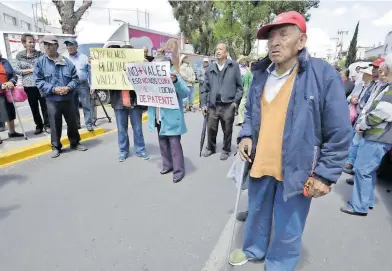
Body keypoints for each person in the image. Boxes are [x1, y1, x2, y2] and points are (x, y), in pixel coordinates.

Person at [229, 11, 351, 270]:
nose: (274, 42)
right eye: (271, 36)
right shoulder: (261, 74)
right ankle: (253, 249)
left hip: (298, 168)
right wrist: (246, 135)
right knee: (257, 214)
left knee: (289, 225)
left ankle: (279, 264)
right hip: (261, 163)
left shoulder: (322, 74)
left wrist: (326, 174)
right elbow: (251, 113)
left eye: (283, 34)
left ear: (301, 41)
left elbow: (339, 130)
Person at [341, 54, 392, 216]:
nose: (381, 74)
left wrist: (363, 124)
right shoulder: (385, 87)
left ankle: (359, 206)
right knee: (367, 171)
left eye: (385, 71)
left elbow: (381, 112)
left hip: (376, 136)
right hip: (379, 137)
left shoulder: (390, 90)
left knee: (362, 170)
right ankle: (367, 201)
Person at [34, 35, 87, 158]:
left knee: (72, 122)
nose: (47, 47)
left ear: (57, 46)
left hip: (68, 98)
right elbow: (39, 81)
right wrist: (53, 89)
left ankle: (75, 142)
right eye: (45, 44)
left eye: (50, 44)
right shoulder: (40, 62)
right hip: (52, 99)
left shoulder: (66, 61)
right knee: (54, 124)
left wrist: (68, 87)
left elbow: (75, 78)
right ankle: (56, 147)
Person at [147, 56, 189, 183]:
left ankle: (179, 171)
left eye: (157, 65)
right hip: (159, 116)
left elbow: (185, 92)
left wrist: (175, 81)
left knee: (174, 146)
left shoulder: (174, 75)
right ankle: (167, 165)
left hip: (171, 118)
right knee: (163, 143)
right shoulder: (152, 76)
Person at [200, 42, 243, 161]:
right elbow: (204, 88)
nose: (217, 51)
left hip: (228, 104)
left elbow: (240, 86)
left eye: (221, 49)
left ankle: (226, 149)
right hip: (213, 105)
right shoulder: (210, 68)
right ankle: (211, 147)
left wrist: (235, 102)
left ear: (226, 53)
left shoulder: (233, 66)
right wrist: (203, 104)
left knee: (227, 129)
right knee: (211, 128)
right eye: (216, 49)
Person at [343, 58, 385, 176]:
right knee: (356, 143)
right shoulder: (371, 84)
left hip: (371, 125)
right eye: (374, 68)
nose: (375, 70)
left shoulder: (382, 85)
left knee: (361, 149)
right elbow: (363, 100)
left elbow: (380, 110)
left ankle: (354, 167)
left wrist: (364, 123)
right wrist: (352, 99)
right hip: (360, 117)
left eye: (378, 68)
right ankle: (353, 166)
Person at [109, 45, 149, 162]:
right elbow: (101, 75)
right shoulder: (113, 67)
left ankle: (140, 150)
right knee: (121, 129)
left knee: (137, 128)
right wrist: (95, 64)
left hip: (134, 102)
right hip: (119, 102)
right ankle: (123, 151)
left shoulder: (140, 65)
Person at [14, 33, 49, 134]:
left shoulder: (40, 54)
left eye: (34, 42)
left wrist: (34, 70)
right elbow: (17, 70)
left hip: (41, 84)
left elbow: (44, 68)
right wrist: (31, 70)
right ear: (24, 43)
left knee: (44, 106)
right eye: (30, 42)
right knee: (34, 107)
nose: (33, 44)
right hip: (28, 86)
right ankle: (39, 125)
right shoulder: (20, 55)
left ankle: (47, 125)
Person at [64, 38, 94, 131]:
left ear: (76, 46)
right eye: (68, 45)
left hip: (83, 85)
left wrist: (92, 85)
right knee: (73, 106)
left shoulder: (84, 57)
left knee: (86, 105)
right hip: (71, 85)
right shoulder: (64, 58)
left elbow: (90, 72)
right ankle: (77, 124)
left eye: (71, 45)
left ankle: (89, 123)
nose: (69, 47)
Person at [0, 52, 24, 143]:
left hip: (8, 91)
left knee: (10, 110)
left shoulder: (4, 61)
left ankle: (12, 132)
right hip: (1, 90)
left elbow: (13, 74)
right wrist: (2, 85)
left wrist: (11, 82)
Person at [237, 56, 253, 126]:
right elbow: (241, 82)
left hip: (252, 94)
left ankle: (249, 122)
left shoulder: (254, 74)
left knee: (251, 108)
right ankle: (241, 121)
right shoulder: (247, 74)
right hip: (245, 93)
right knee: (241, 107)